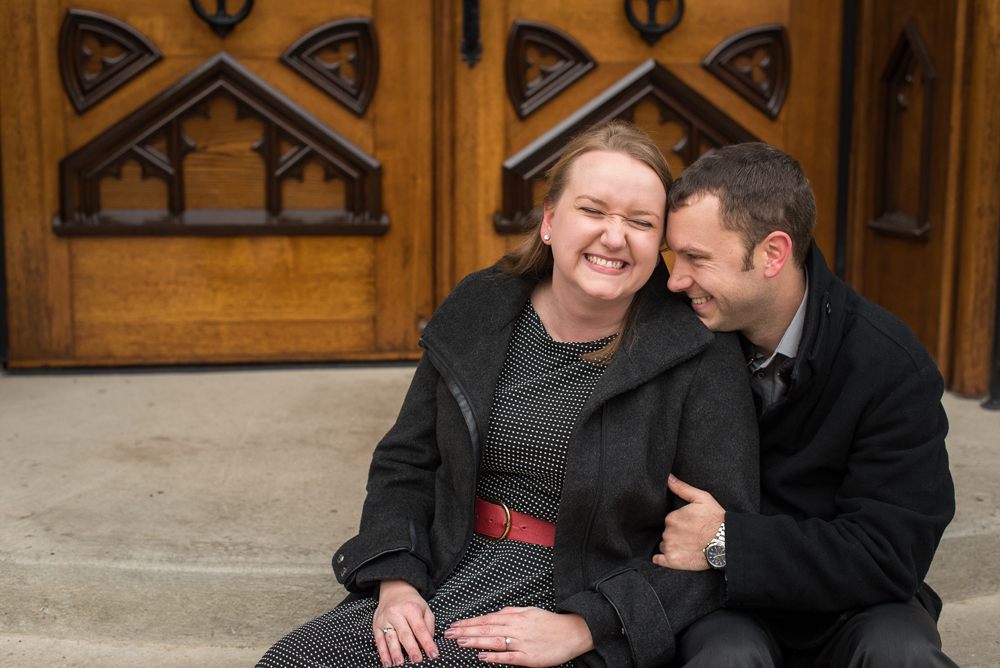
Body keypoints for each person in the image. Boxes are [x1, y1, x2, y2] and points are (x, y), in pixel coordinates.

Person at [256, 120, 758, 668]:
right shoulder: (484, 305)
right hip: (444, 566)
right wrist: (396, 580)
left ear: (659, 243)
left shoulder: (697, 353)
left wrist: (584, 628)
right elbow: (406, 460)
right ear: (549, 220)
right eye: (592, 211)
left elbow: (712, 550)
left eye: (640, 222)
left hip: (576, 599)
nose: (614, 237)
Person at [655, 141, 957, 667]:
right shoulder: (674, 336)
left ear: (773, 253)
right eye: (672, 256)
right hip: (723, 606)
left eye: (697, 259)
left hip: (857, 607)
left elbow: (890, 554)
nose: (676, 280)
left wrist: (726, 540)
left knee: (901, 652)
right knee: (724, 656)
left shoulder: (889, 364)